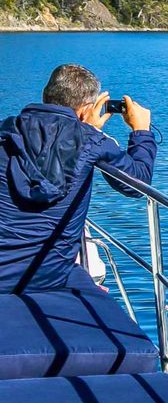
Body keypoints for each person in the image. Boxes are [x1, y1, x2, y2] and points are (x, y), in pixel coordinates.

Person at [0, 64, 156, 294]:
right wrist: (141, 131)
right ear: (85, 110)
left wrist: (85, 128)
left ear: (45, 96)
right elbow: (137, 184)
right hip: (48, 277)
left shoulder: (6, 131)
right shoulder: (92, 140)